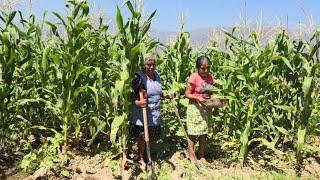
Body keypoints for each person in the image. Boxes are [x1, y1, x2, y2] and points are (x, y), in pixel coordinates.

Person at [131, 55, 173, 168]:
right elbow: (132, 96)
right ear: (144, 65)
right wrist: (139, 103)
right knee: (142, 137)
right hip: (142, 113)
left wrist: (166, 95)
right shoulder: (139, 77)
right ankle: (141, 158)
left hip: (155, 112)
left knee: (152, 135)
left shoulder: (157, 75)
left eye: (153, 64)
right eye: (149, 65)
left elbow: (158, 92)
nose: (151, 67)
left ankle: (147, 155)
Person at [184, 55, 226, 165]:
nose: (206, 70)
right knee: (193, 133)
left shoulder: (210, 78)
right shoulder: (194, 77)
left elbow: (212, 92)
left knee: (203, 134)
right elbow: (187, 94)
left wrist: (218, 100)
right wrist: (198, 97)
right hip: (195, 109)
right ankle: (191, 156)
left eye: (208, 68)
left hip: (207, 108)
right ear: (198, 68)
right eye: (203, 68)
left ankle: (202, 156)